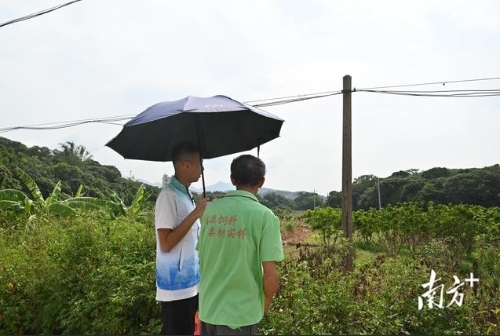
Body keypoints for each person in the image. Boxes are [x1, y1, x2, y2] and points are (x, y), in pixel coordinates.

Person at [196, 154, 284, 335]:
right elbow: (270, 275)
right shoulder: (265, 217)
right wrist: (265, 304)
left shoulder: (209, 212)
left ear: (232, 179)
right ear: (261, 182)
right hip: (240, 315)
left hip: (208, 310)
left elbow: (203, 257)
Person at [155, 142, 209, 335]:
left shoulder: (186, 194)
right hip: (175, 285)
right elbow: (166, 243)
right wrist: (195, 214)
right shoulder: (168, 196)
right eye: (199, 164)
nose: (202, 169)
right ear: (185, 165)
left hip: (190, 281)